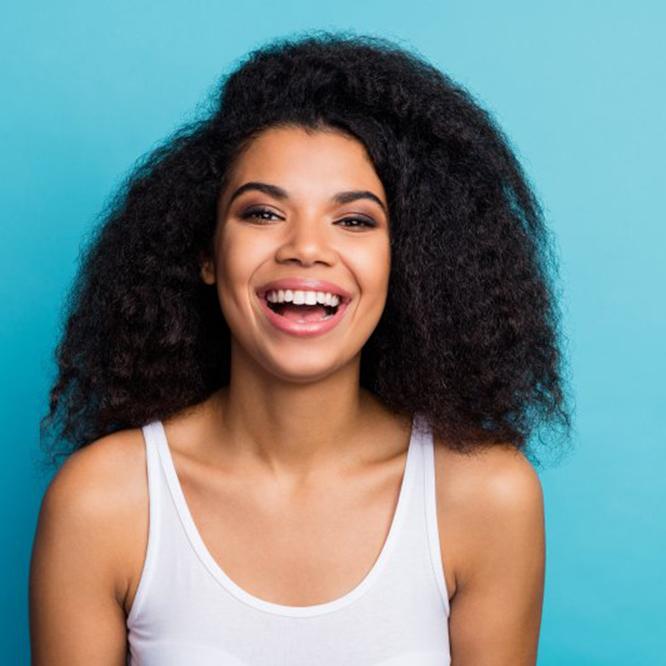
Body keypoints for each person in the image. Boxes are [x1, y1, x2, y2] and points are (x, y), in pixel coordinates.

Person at [30, 31, 571, 665]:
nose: (306, 248)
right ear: (206, 253)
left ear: (409, 262)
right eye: (262, 213)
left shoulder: (485, 498)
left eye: (355, 220)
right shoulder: (103, 503)